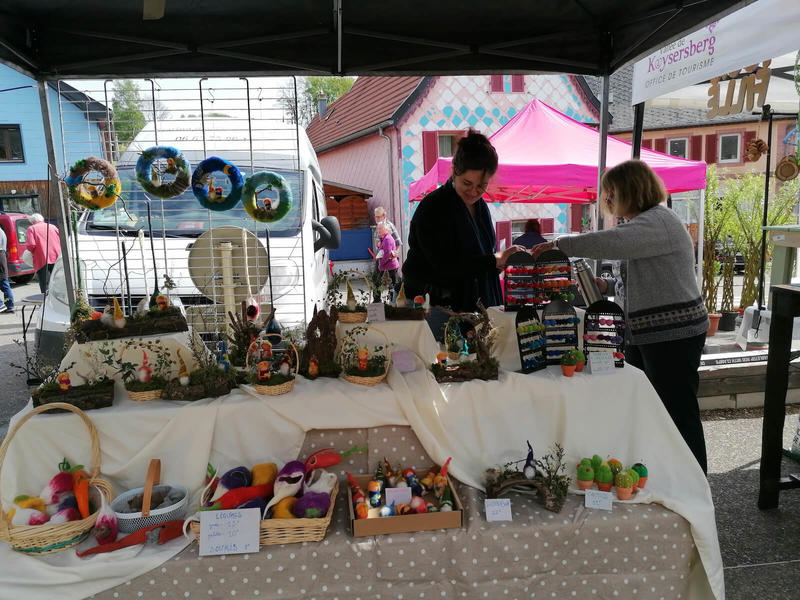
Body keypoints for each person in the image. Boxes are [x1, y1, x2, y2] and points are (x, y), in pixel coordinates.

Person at [531, 160, 709, 474]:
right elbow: (643, 277)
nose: (608, 200)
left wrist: (559, 244)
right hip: (647, 334)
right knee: (649, 408)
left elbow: (611, 242)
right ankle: (663, 474)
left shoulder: (658, 221)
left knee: (677, 412)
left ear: (631, 191)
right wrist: (607, 285)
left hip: (672, 334)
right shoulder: (643, 225)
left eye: (611, 193)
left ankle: (694, 481)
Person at [403, 129, 522, 313]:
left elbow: (478, 261)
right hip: (436, 306)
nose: (474, 192)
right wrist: (494, 260)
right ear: (454, 172)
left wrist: (501, 262)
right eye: (467, 183)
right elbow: (445, 267)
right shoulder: (433, 207)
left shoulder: (481, 207)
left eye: (481, 186)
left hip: (474, 305)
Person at [25, 213, 61, 294]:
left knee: (45, 283)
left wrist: (30, 251)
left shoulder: (31, 229)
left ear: (32, 222)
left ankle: (46, 299)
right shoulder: (52, 227)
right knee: (57, 280)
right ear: (42, 219)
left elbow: (31, 245)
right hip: (56, 256)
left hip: (42, 258)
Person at [0, 224, 15, 314]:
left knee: (4, 283)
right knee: (5, 284)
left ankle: (2, 305)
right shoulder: (1, 231)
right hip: (2, 256)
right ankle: (9, 305)